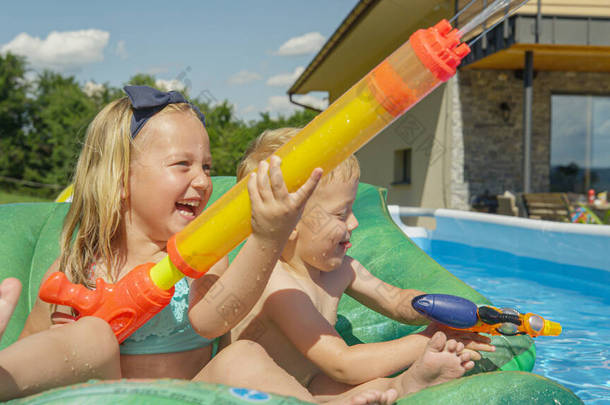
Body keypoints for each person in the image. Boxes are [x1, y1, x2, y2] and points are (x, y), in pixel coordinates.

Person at [8, 86, 334, 401]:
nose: (204, 180)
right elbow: (34, 348)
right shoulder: (79, 268)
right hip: (106, 399)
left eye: (206, 166)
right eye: (183, 164)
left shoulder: (203, 254)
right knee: (89, 336)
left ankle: (307, 402)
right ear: (120, 178)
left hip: (189, 396)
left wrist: (268, 237)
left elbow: (213, 321)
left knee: (243, 355)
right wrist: (65, 342)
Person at [220, 128, 496, 403]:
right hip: (248, 394)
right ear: (287, 224)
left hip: (308, 382)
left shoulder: (340, 270)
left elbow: (395, 300)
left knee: (357, 385)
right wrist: (430, 337)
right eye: (341, 214)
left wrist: (439, 311)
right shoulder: (278, 284)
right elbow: (343, 363)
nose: (354, 223)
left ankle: (405, 384)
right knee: (342, 376)